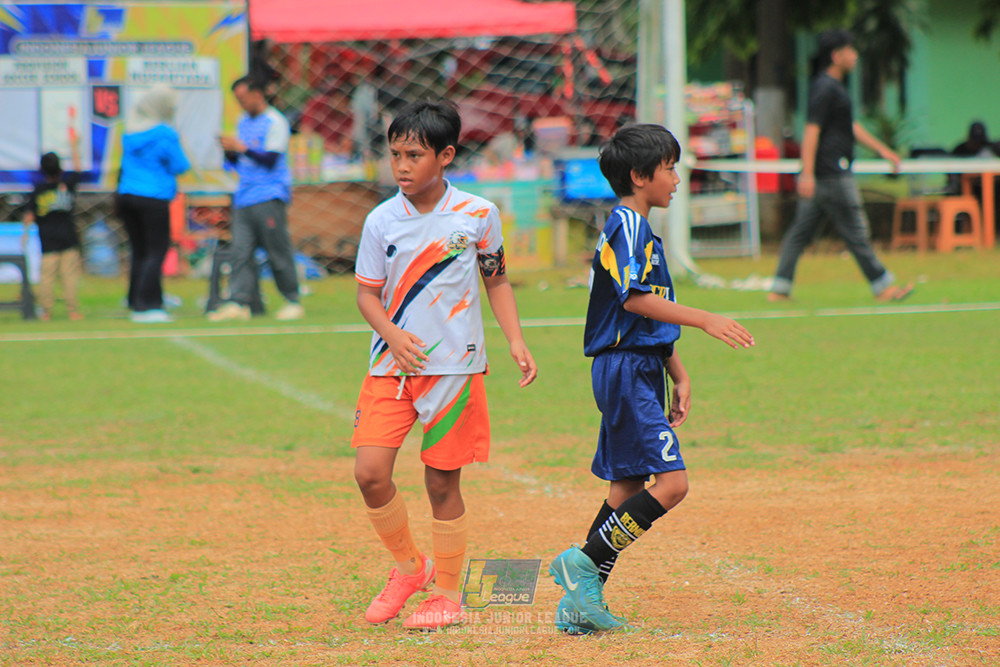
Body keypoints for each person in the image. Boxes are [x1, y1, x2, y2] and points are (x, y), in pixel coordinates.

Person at [548, 124, 755, 634]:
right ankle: (583, 561)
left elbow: (648, 316)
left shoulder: (642, 231)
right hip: (623, 369)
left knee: (627, 486)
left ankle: (580, 604)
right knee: (673, 484)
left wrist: (677, 370)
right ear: (641, 176)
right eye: (669, 168)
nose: (676, 179)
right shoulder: (627, 226)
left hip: (639, 365)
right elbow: (633, 300)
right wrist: (705, 318)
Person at [351, 100, 537, 631]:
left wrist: (515, 340)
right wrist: (390, 334)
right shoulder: (380, 220)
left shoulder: (478, 215)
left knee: (441, 485)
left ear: (446, 155)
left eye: (414, 155)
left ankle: (448, 596)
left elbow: (496, 280)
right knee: (369, 473)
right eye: (395, 155)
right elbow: (366, 295)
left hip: (455, 368)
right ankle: (411, 569)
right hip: (389, 367)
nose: (402, 166)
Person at [769, 29, 913, 303]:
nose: (855, 55)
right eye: (851, 50)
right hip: (832, 173)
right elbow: (811, 131)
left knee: (800, 233)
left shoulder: (834, 88)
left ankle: (779, 289)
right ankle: (882, 287)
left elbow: (850, 127)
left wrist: (883, 150)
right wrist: (807, 173)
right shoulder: (825, 88)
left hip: (826, 174)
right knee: (856, 230)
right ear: (837, 56)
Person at [210, 76, 303, 321]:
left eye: (242, 98)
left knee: (276, 250)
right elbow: (242, 161)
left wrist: (241, 148)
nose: (240, 104)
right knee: (240, 252)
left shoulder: (276, 121)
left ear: (257, 94)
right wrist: (230, 152)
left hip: (269, 195)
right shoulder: (242, 122)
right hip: (244, 196)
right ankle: (240, 302)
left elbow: (270, 159)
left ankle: (292, 299)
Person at [117, 84, 190, 323]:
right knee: (156, 251)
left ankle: (136, 298)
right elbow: (180, 165)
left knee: (139, 250)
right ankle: (147, 305)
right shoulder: (165, 134)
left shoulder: (130, 131)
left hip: (127, 195)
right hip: (154, 197)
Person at [23, 148, 83, 321]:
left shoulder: (39, 191)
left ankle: (46, 311)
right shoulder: (67, 186)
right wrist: (74, 144)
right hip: (68, 238)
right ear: (61, 169)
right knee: (69, 276)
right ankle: (73, 311)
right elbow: (78, 170)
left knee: (47, 277)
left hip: (47, 240)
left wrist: (24, 235)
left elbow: (29, 216)